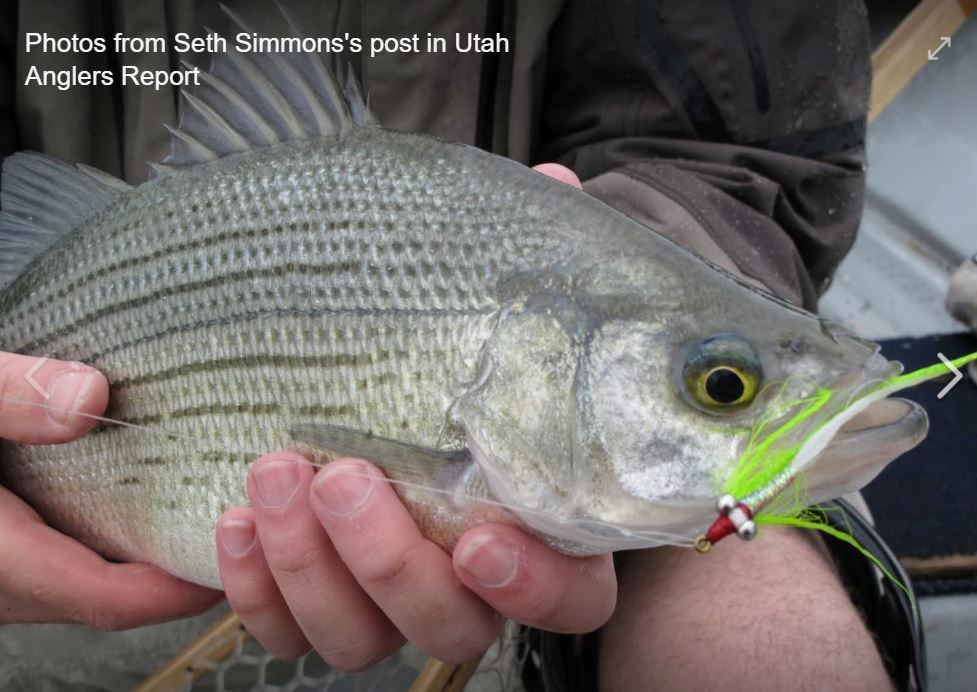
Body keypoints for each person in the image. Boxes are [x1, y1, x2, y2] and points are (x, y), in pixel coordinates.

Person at [0, 1, 915, 689]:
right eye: (720, 384)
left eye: (720, 381)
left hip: (611, 560)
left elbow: (746, 155)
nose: (726, 388)